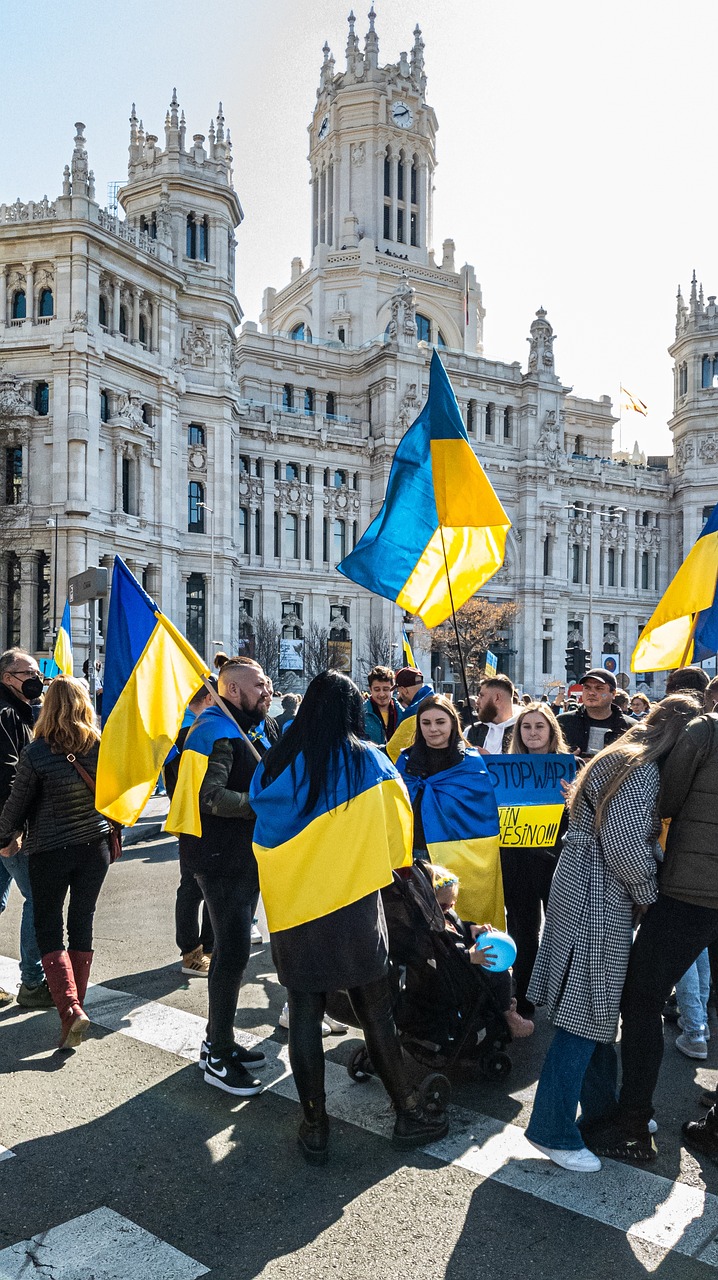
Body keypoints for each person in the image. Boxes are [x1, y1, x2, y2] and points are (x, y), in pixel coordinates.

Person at [250, 670, 450, 1164]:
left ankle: (314, 1124)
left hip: (293, 907)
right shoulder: (369, 761)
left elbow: (260, 820)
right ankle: (406, 1112)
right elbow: (396, 839)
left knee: (303, 1015)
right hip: (354, 906)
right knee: (376, 1013)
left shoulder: (275, 762)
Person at [525, 694, 701, 1173]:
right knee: (584, 1016)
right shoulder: (640, 770)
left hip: (587, 885)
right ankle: (551, 1128)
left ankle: (601, 1112)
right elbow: (625, 844)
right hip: (596, 893)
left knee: (593, 1012)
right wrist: (649, 890)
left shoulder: (623, 757)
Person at [590, 693, 718, 1161]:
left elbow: (667, 797)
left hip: (692, 891)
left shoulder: (706, 730)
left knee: (641, 1001)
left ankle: (632, 1124)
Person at [167, 658, 277, 1097]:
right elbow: (209, 797)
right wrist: (262, 802)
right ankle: (217, 1053)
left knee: (233, 953)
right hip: (219, 858)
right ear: (232, 690)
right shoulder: (216, 731)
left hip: (240, 857)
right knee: (230, 954)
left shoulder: (246, 728)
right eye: (260, 684)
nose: (267, 690)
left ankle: (223, 1041)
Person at [0, 676, 115, 1048]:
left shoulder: (36, 752)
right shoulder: (100, 745)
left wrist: (4, 836)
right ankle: (76, 1004)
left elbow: (17, 804)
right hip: (94, 846)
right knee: (82, 920)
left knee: (48, 925)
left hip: (49, 849)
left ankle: (69, 1010)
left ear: (48, 707)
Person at [395, 694, 505, 931]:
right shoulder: (404, 762)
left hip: (463, 858)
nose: (433, 729)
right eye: (426, 723)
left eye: (440, 722)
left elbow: (484, 814)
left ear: (453, 723)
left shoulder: (473, 764)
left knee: (461, 922)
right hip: (415, 854)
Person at [502, 703, 575, 1020]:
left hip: (556, 860)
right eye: (526, 727)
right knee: (524, 930)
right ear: (518, 732)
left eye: (539, 727)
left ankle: (564, 996)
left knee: (562, 930)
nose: (532, 732)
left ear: (551, 731)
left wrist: (573, 795)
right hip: (517, 861)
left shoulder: (571, 768)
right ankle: (526, 994)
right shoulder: (505, 769)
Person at [0, 647, 52, 1009]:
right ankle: (33, 984)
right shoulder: (5, 714)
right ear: (7, 679)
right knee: (39, 898)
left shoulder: (19, 711)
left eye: (38, 674)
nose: (36, 680)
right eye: (28, 674)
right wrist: (9, 831)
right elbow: (8, 776)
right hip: (8, 828)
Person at [429, 864, 533, 1038]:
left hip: (465, 964)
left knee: (502, 969)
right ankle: (507, 1015)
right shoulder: (434, 927)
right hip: (458, 974)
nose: (450, 908)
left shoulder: (445, 915)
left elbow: (459, 926)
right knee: (501, 973)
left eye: (453, 904)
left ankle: (505, 1003)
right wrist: (470, 956)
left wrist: (471, 927)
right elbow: (446, 954)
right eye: (445, 905)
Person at [164, 681, 217, 977]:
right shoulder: (184, 733)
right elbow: (178, 782)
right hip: (193, 820)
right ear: (209, 698)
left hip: (207, 820)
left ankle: (209, 947)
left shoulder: (197, 728)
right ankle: (191, 951)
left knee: (210, 888)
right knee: (192, 887)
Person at [558, 668, 634, 761]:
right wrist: (569, 761)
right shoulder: (563, 722)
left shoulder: (631, 728)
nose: (591, 693)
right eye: (587, 687)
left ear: (613, 693)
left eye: (599, 688)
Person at [466, 674, 517, 753]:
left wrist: (488, 760)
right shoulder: (470, 732)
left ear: (497, 698)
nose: (477, 702)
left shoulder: (524, 731)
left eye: (481, 696)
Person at [363, 665, 398, 746]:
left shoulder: (403, 715)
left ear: (393, 689)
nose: (382, 694)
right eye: (377, 689)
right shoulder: (360, 715)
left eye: (386, 689)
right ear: (370, 689)